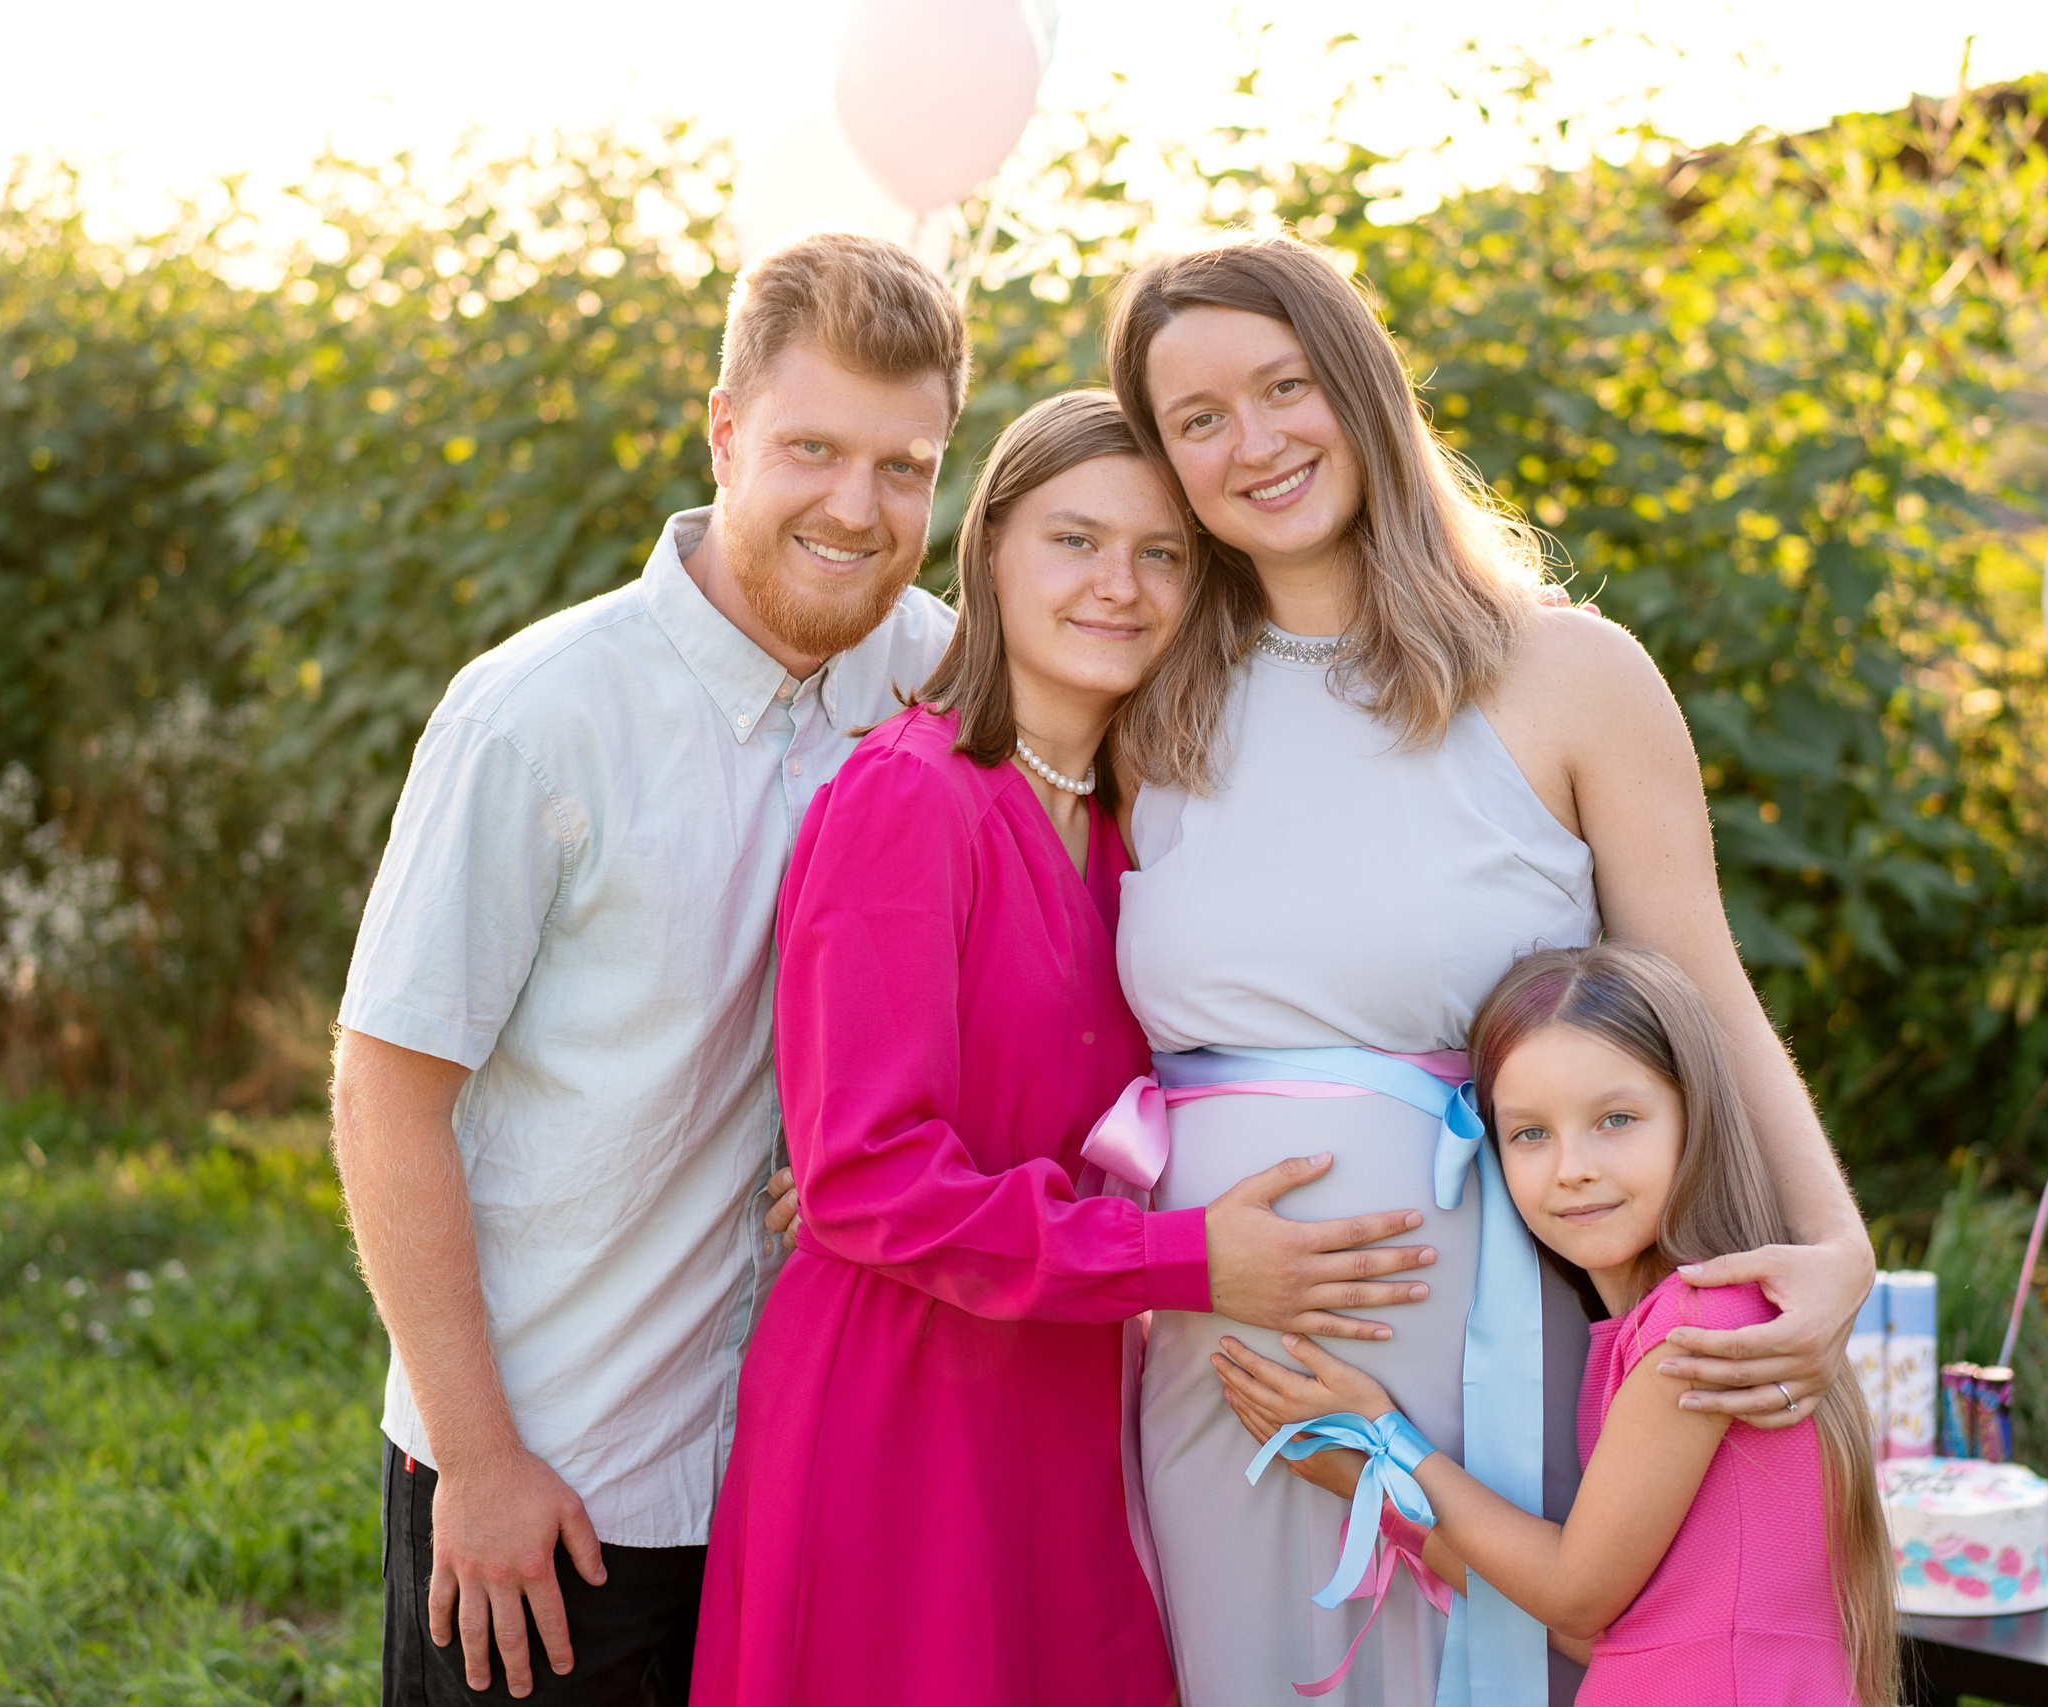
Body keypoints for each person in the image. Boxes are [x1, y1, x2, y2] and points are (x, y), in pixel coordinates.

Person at [1099, 234, 1880, 1707]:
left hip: (1488, 1331)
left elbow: (1699, 985)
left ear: (1363, 385)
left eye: (1285, 385)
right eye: (1198, 419)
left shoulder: (1567, 672)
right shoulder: (1146, 703)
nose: (1255, 442)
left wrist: (1840, 1248)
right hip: (1226, 1361)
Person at [690, 390, 1445, 1706]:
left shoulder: (1140, 830)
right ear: (988, 553)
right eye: (1075, 541)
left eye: (1161, 553)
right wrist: (1193, 1255)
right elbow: (866, 1177)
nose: (1121, 585)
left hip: (1072, 1393)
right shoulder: (909, 795)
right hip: (903, 1404)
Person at [331, 233, 974, 1705]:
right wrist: (482, 1463)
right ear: (728, 430)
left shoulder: (943, 678)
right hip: (562, 1473)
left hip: (811, 1473)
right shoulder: (536, 716)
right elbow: (386, 1093)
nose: (857, 508)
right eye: (812, 448)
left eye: (904, 465)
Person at [1213, 944, 1899, 1707]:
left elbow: (1577, 1596)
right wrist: (1373, 1491)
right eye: (1531, 1133)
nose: (1572, 1166)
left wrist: (1389, 1440)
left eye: (1615, 1119)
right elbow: (1598, 1623)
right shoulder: (1651, 1333)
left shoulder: (1699, 1327)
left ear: (1693, 1117)